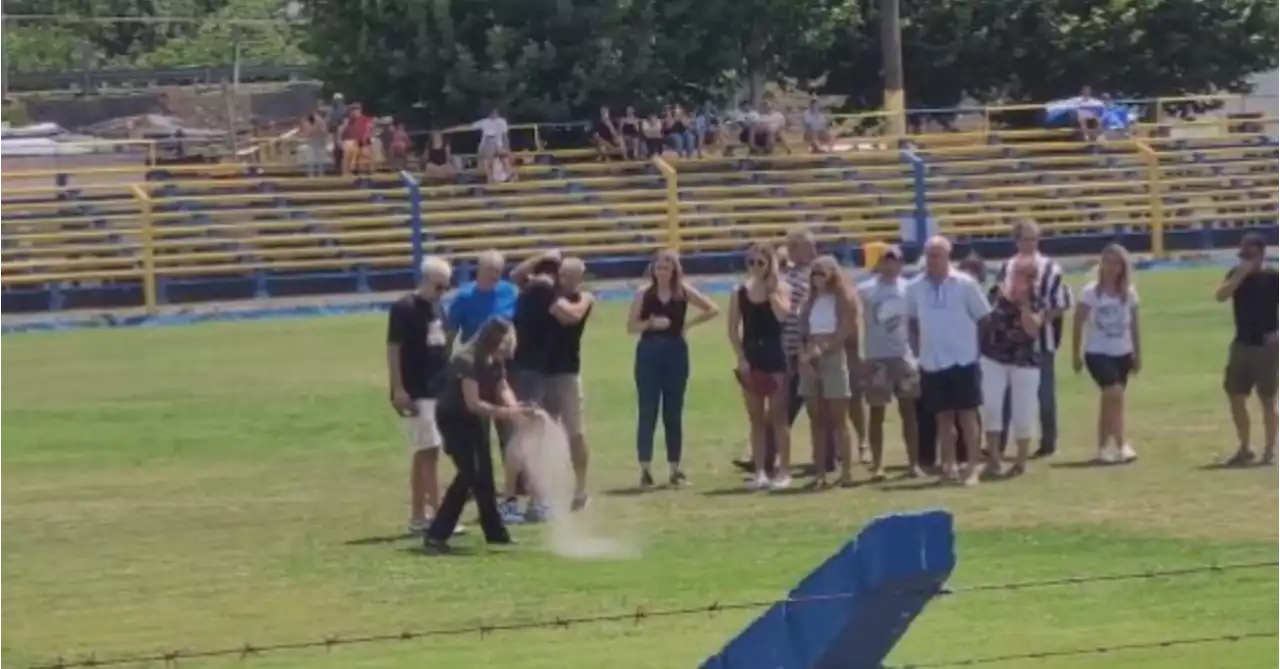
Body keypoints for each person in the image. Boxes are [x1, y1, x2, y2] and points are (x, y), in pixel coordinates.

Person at [423, 317, 538, 555]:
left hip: (475, 420)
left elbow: (502, 387)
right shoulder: (467, 360)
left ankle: (495, 533)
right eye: (507, 340)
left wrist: (517, 409)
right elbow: (473, 403)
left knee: (483, 474)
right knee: (470, 474)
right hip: (454, 419)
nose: (511, 345)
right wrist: (508, 413)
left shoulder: (494, 360)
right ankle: (436, 534)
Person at [626, 250, 720, 487]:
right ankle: (645, 469)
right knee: (648, 410)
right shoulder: (644, 294)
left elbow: (712, 309)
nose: (662, 272)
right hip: (649, 353)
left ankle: (675, 468)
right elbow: (630, 326)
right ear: (653, 270)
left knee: (673, 412)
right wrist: (650, 323)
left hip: (676, 353)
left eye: (667, 267)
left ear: (674, 270)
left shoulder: (683, 292)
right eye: (659, 267)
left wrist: (687, 325)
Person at [907, 236, 991, 486]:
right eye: (930, 254)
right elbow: (912, 321)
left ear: (948, 256)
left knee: (967, 416)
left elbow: (984, 317)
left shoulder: (965, 284)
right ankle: (949, 465)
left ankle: (973, 467)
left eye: (938, 254)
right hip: (932, 360)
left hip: (963, 358)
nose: (933, 259)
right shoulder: (915, 287)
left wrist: (974, 348)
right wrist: (922, 348)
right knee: (942, 418)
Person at [387, 257, 458, 535]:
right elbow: (393, 349)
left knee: (426, 451)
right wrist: (398, 388)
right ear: (426, 280)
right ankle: (438, 513)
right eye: (439, 286)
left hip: (438, 387)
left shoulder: (438, 307)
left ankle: (419, 515)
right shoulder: (404, 308)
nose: (443, 292)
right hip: (417, 388)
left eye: (446, 287)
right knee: (428, 450)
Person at [993, 220, 1072, 459]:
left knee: (1045, 393)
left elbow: (1062, 302)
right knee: (1005, 393)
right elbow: (996, 299)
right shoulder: (1006, 267)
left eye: (1034, 239)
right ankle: (999, 442)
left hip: (1041, 340)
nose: (1030, 244)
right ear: (1016, 241)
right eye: (1025, 239)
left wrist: (1041, 318)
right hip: (1009, 342)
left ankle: (1048, 442)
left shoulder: (1051, 268)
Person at [499, 251, 563, 523]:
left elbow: (515, 275)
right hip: (532, 372)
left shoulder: (527, 290)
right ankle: (516, 501)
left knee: (527, 435)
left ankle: (525, 499)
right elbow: (569, 315)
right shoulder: (544, 290)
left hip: (526, 369)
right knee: (528, 436)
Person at [727, 244, 793, 490]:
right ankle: (760, 471)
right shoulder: (739, 291)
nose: (755, 268)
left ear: (770, 264)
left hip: (775, 354)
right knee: (755, 418)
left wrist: (771, 290)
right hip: (752, 354)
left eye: (760, 263)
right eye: (751, 263)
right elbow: (733, 328)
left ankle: (784, 471)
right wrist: (741, 357)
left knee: (778, 416)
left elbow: (782, 316)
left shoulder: (781, 288)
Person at [1073, 244, 1141, 464]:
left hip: (1122, 352)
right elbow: (1078, 322)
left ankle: (1102, 448)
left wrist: (1138, 354)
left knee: (1110, 400)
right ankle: (1122, 443)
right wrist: (1075, 353)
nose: (1112, 267)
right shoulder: (1091, 292)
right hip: (1098, 351)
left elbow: (1134, 326)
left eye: (1117, 262)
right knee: (1114, 393)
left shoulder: (1128, 293)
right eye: (1108, 262)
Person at [1215, 233, 1280, 466]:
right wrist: (1239, 276)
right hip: (1241, 344)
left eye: (1249, 255)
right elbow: (1220, 296)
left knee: (1268, 399)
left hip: (1266, 347)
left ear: (1261, 255)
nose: (1244, 259)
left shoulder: (1273, 277)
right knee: (1235, 395)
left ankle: (1270, 450)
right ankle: (1245, 446)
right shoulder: (1235, 275)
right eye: (1242, 254)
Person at [858, 244, 922, 480]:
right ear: (880, 263)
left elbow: (916, 324)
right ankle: (877, 465)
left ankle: (913, 463)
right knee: (877, 412)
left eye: (895, 260)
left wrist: (917, 353)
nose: (891, 265)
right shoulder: (865, 290)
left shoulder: (909, 289)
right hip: (876, 357)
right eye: (887, 260)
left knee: (909, 412)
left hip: (903, 356)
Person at [978, 257, 1044, 477]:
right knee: (992, 407)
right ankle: (993, 458)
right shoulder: (995, 293)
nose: (1022, 279)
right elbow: (983, 319)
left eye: (1029, 276)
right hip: (993, 357)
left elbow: (1033, 330)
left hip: (1024, 360)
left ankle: (1021, 460)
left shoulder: (1037, 298)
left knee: (1023, 410)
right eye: (1019, 273)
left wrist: (1024, 305)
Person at [798, 255, 860, 488]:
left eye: (822, 273)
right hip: (810, 358)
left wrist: (823, 348)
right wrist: (805, 355)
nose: (817, 278)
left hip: (832, 357)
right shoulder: (809, 300)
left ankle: (846, 472)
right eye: (814, 273)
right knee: (817, 419)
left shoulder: (843, 298)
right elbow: (802, 330)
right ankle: (820, 472)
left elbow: (846, 328)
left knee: (839, 418)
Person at [543, 257, 595, 509]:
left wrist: (585, 299)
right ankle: (547, 488)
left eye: (572, 277)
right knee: (544, 433)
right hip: (542, 372)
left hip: (567, 373)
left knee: (576, 432)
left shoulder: (579, 301)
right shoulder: (546, 293)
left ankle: (580, 488)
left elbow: (570, 318)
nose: (566, 280)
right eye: (563, 275)